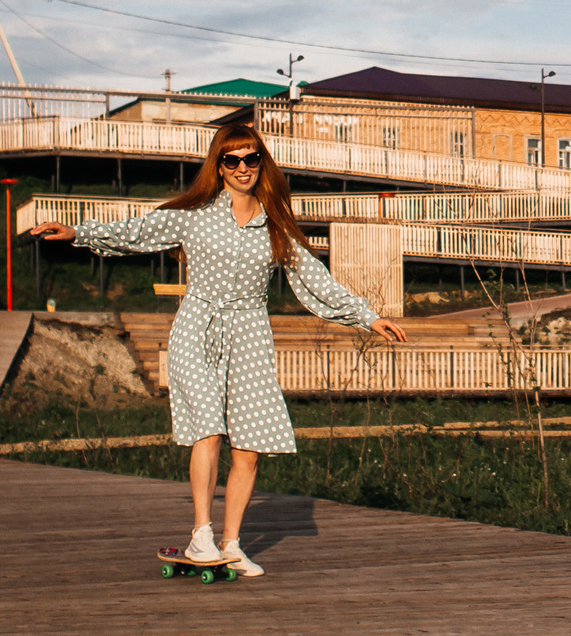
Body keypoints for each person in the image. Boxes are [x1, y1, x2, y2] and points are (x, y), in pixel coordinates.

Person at [27, 122, 407, 577]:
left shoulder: (275, 225)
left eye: (251, 159)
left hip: (249, 333)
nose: (243, 168)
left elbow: (314, 280)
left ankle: (230, 543)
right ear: (219, 166)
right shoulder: (195, 214)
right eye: (232, 160)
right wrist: (78, 234)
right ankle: (201, 534)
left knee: (248, 446)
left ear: (261, 163)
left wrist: (366, 316)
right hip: (198, 326)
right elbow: (137, 233)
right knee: (207, 429)